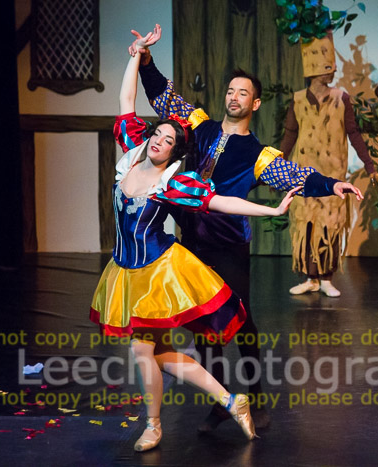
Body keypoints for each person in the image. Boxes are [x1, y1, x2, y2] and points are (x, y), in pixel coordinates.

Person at [90, 35, 349, 452]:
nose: (234, 96)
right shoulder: (199, 126)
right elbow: (163, 98)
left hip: (228, 246)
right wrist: (146, 61)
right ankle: (222, 401)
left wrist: (331, 184)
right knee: (204, 327)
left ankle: (256, 396)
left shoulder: (257, 153)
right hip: (190, 244)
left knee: (240, 321)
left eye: (243, 93)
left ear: (255, 103)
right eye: (230, 90)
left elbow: (294, 175)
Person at [281, 68, 378, 298]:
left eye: (332, 65)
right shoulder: (298, 100)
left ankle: (326, 278)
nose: (331, 70)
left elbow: (353, 133)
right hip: (303, 175)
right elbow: (290, 136)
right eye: (325, 66)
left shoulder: (341, 98)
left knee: (330, 225)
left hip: (333, 175)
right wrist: (275, 167)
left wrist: (370, 166)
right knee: (306, 224)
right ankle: (311, 279)